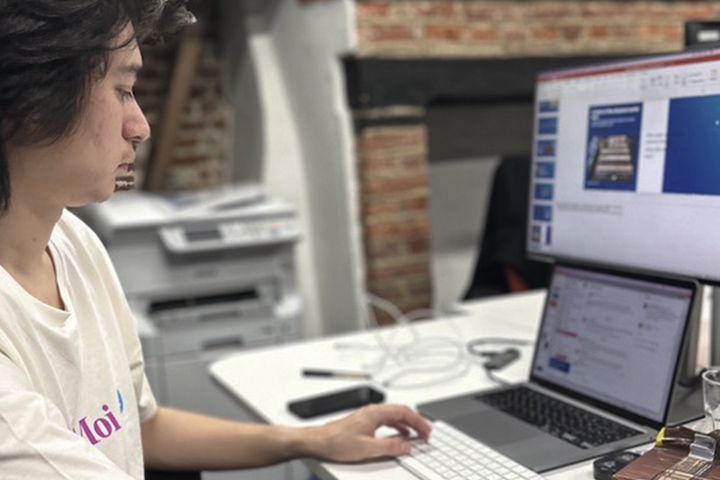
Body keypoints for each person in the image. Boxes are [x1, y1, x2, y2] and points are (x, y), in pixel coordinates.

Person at [0, 1, 431, 478]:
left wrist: (310, 440)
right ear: (30, 103)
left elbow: (143, 429)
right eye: (122, 89)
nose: (140, 126)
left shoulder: (73, 241)